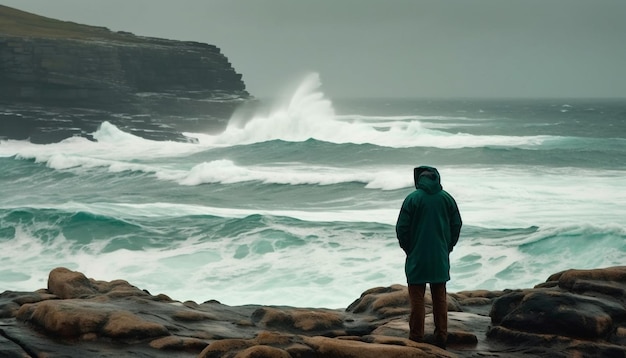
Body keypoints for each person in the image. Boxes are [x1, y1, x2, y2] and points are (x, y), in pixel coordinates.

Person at [396, 166, 462, 349]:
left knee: (417, 298)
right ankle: (441, 336)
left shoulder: (412, 199)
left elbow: (402, 228)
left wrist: (409, 248)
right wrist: (448, 246)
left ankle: (416, 337)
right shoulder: (447, 198)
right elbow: (456, 224)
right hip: (439, 255)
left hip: (417, 256)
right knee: (439, 297)